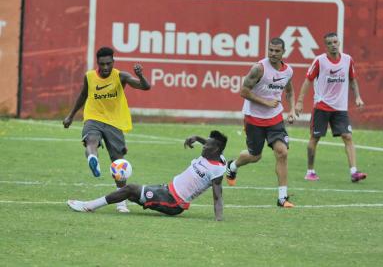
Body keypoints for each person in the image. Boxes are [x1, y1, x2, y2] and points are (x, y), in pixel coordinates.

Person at [63, 46, 151, 213]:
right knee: (91, 139)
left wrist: (140, 75)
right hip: (93, 117)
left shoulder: (121, 76)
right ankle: (92, 159)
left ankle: (121, 201)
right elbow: (83, 95)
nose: (105, 68)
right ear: (97, 62)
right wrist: (71, 115)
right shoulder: (89, 77)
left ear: (113, 62)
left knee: (118, 162)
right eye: (102, 64)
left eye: (108, 64)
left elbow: (145, 87)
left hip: (114, 122)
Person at [67, 131, 228, 221]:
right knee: (131, 193)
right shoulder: (212, 155)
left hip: (173, 202)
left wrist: (218, 219)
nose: (204, 145)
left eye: (207, 144)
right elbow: (209, 143)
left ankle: (89, 205)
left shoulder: (216, 170)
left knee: (131, 188)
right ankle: (121, 205)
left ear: (216, 149)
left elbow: (217, 196)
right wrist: (196, 138)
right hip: (166, 189)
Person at [225, 38, 296, 208]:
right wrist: (265, 102)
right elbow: (243, 91)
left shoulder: (288, 71)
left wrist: (292, 110)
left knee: (282, 152)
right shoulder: (259, 69)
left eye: (277, 51)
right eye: (270, 50)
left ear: (283, 52)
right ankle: (232, 165)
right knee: (255, 155)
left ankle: (282, 198)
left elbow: (290, 91)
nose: (273, 53)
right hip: (254, 118)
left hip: (275, 118)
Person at [295, 32, 367, 183]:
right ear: (325, 45)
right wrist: (300, 101)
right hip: (322, 105)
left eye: (335, 42)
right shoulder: (320, 61)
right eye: (330, 43)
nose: (333, 45)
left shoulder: (348, 60)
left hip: (340, 108)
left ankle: (354, 172)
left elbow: (353, 80)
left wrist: (358, 97)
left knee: (347, 136)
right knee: (315, 138)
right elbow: (308, 80)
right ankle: (310, 171)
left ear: (339, 42)